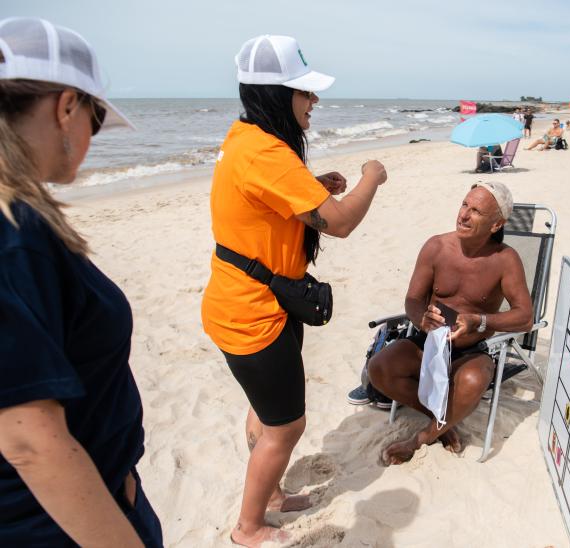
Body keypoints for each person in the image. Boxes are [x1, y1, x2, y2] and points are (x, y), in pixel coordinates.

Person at [200, 35, 388, 547]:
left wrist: (312, 185)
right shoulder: (267, 152)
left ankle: (275, 496)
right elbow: (342, 224)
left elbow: (268, 197)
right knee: (286, 427)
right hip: (254, 314)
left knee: (265, 410)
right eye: (305, 92)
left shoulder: (246, 138)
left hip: (245, 301)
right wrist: (372, 177)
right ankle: (249, 527)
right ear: (277, 96)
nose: (314, 102)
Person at [0, 17, 162, 546]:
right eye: (95, 122)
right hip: (60, 526)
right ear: (67, 105)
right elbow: (28, 439)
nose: (92, 139)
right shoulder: (13, 232)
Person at [368, 182, 533, 465]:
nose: (464, 215)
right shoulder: (437, 247)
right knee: (379, 368)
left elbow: (525, 317)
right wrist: (421, 317)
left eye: (477, 211)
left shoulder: (505, 260)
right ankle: (443, 421)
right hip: (427, 343)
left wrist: (480, 321)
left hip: (469, 351)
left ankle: (422, 437)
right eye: (464, 205)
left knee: (474, 379)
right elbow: (412, 299)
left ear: (497, 224)